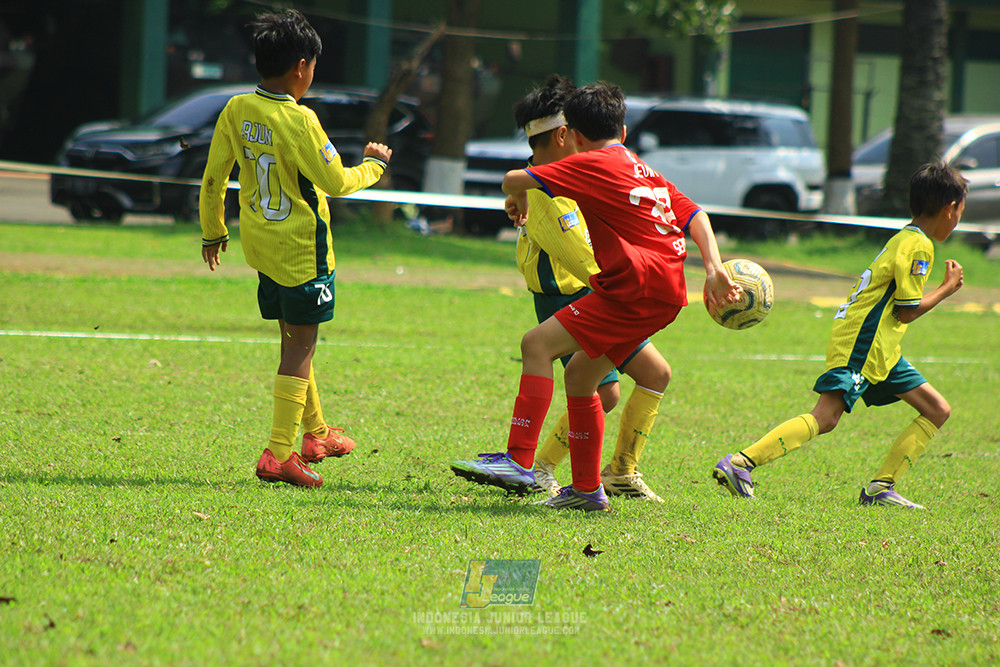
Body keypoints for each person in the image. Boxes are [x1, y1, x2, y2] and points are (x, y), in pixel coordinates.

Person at [452, 82, 740, 511]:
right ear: (623, 131)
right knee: (583, 379)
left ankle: (518, 460)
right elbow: (696, 214)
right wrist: (714, 267)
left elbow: (512, 178)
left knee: (535, 345)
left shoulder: (587, 164)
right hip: (666, 294)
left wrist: (517, 191)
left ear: (576, 138)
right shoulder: (642, 168)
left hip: (630, 290)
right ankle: (588, 489)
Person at [199, 9, 392, 487]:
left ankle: (317, 434)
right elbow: (336, 182)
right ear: (301, 67)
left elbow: (214, 176)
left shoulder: (237, 109)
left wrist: (213, 230)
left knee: (294, 342)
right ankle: (279, 454)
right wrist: (374, 166)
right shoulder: (299, 119)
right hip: (303, 253)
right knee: (300, 347)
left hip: (261, 247)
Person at [712, 163, 967, 509]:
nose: (958, 220)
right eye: (960, 212)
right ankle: (741, 463)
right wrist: (946, 289)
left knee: (937, 409)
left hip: (883, 348)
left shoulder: (906, 238)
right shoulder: (918, 246)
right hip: (863, 343)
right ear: (950, 208)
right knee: (826, 416)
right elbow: (907, 309)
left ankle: (881, 487)